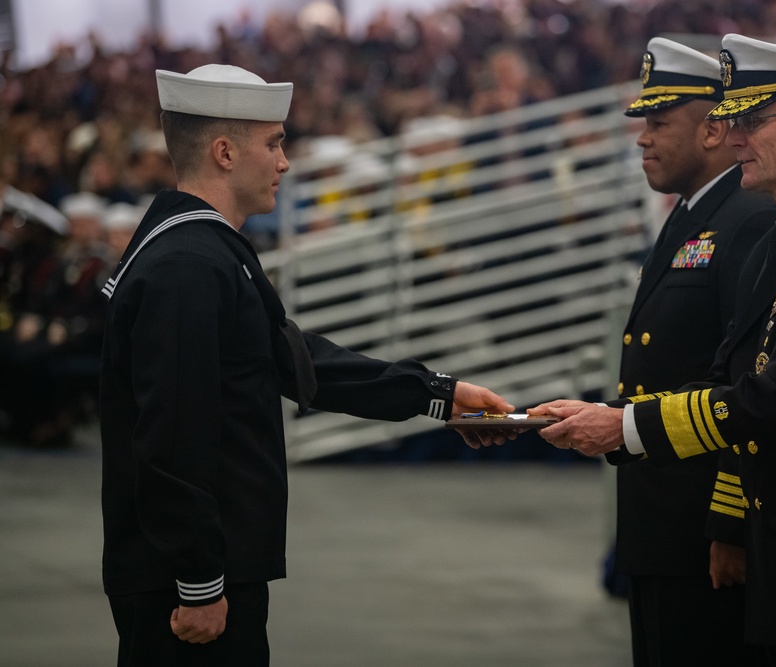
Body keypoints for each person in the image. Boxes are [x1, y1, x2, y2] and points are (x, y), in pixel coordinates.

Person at [532, 34, 776, 664]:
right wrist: (605, 415)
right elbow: (728, 369)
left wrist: (624, 426)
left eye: (750, 120)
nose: (735, 136)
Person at [99, 64, 513, 667]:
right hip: (184, 582)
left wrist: (439, 395)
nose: (284, 162)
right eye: (273, 143)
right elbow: (171, 437)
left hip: (204, 565)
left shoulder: (198, 249)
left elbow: (294, 360)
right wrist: (199, 581)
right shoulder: (189, 265)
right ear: (223, 152)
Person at [610, 37, 775, 666]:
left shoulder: (747, 219)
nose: (642, 139)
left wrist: (728, 522)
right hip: (659, 517)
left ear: (712, 130)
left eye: (658, 123)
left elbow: (747, 380)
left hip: (701, 532)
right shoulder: (690, 215)